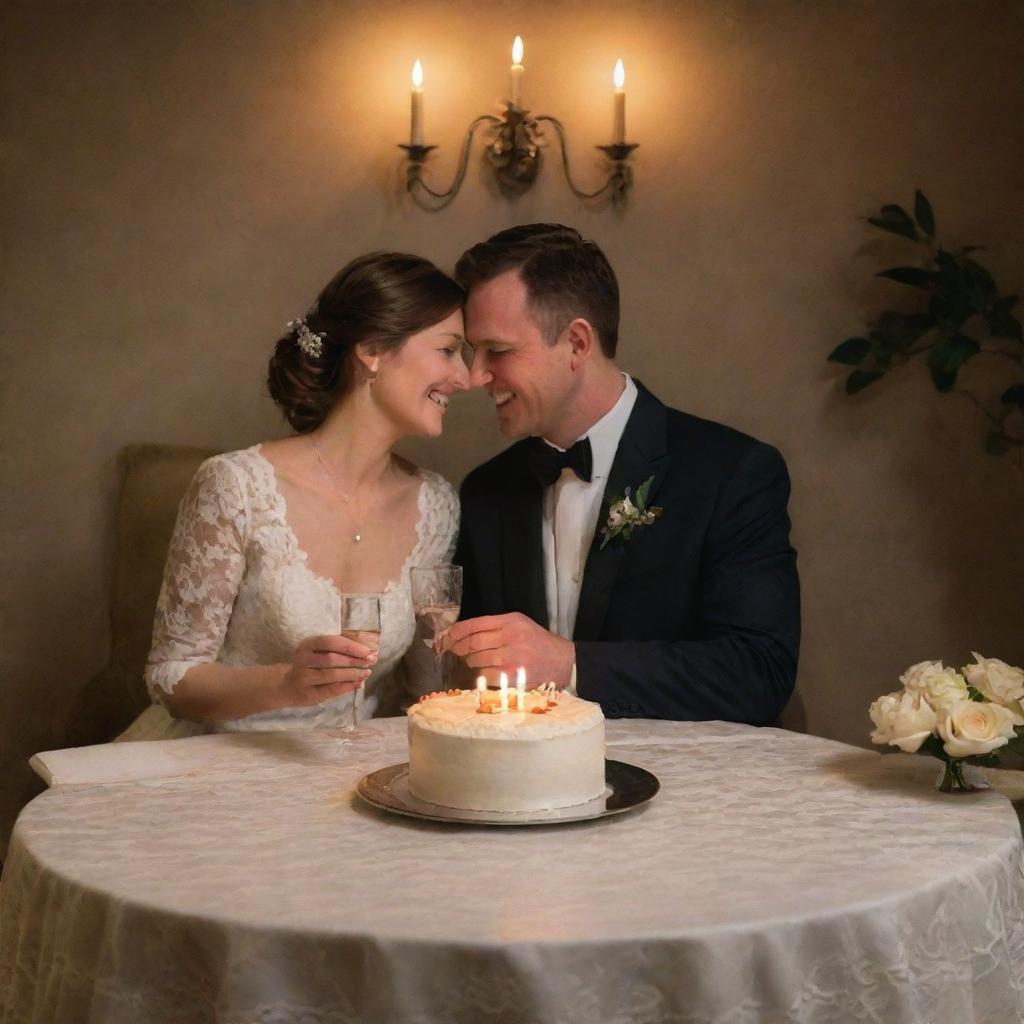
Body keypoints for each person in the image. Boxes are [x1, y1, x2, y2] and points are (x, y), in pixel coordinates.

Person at [443, 224, 800, 724]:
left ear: (577, 343)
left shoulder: (732, 473)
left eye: (497, 352)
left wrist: (570, 664)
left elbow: (759, 672)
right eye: (471, 352)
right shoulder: (487, 491)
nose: (475, 376)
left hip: (691, 786)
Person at [121, 252, 468, 740]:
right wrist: (285, 683)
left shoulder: (436, 505)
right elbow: (171, 676)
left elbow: (427, 691)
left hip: (351, 771)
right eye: (449, 350)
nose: (467, 377)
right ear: (371, 349)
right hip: (223, 763)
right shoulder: (236, 486)